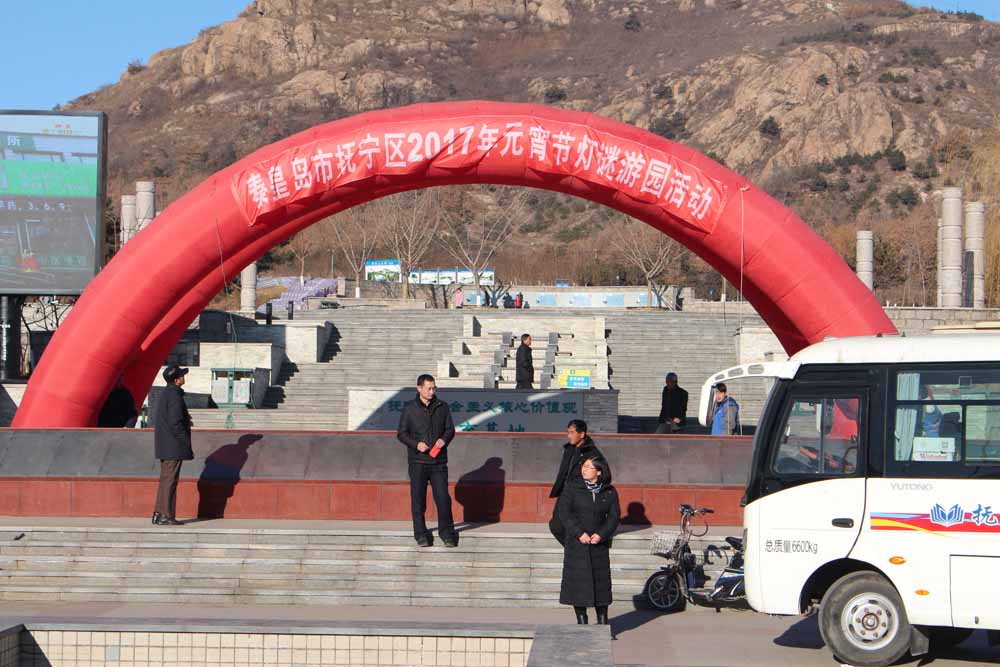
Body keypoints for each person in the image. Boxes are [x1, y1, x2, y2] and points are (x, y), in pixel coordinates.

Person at [397, 374, 459, 547]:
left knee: (443, 499)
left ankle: (447, 533)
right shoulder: (410, 408)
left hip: (438, 462)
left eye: (434, 388)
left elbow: (450, 429)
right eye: (429, 388)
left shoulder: (442, 406)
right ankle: (421, 534)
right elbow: (401, 434)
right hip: (418, 462)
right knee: (418, 500)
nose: (432, 392)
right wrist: (417, 444)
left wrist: (443, 440)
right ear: (419, 388)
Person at [557, 457, 620, 625]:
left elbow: (613, 517)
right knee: (578, 584)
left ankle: (603, 622)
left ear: (599, 471)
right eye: (583, 466)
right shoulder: (572, 488)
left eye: (588, 467)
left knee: (601, 585)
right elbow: (564, 512)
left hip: (598, 545)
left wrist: (601, 534)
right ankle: (582, 622)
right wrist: (579, 533)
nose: (584, 470)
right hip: (577, 544)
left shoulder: (609, 491)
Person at [548, 419, 605, 545]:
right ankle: (574, 549)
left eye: (572, 432)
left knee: (572, 527)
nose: (569, 436)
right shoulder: (569, 449)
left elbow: (602, 474)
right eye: (568, 432)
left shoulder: (592, 453)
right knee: (555, 526)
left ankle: (577, 550)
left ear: (582, 434)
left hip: (580, 496)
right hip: (565, 493)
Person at [152, 365, 193, 526]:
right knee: (170, 481)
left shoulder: (166, 393)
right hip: (173, 446)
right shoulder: (175, 395)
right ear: (176, 380)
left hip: (165, 445)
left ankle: (159, 513)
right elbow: (175, 422)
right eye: (182, 375)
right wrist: (185, 440)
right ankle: (166, 515)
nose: (184, 377)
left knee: (165, 480)